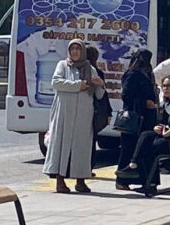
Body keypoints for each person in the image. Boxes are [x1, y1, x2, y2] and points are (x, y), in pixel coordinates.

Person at [43, 40, 104, 193]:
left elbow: (99, 95)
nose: (75, 52)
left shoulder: (90, 68)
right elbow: (56, 83)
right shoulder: (63, 65)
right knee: (61, 145)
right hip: (64, 113)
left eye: (78, 49)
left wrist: (100, 84)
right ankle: (60, 180)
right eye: (73, 49)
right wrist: (79, 85)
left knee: (81, 147)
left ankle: (80, 180)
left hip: (84, 115)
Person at [116, 75, 170, 192]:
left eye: (169, 86)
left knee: (149, 146)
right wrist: (157, 128)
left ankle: (141, 173)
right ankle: (138, 170)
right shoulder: (166, 104)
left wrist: (164, 134)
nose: (166, 88)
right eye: (163, 86)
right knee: (146, 136)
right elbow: (164, 124)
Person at [116, 50, 158, 191]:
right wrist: (144, 102)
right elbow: (126, 95)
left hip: (147, 118)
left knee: (143, 149)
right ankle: (122, 180)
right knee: (128, 149)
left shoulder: (146, 73)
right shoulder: (132, 74)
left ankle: (143, 179)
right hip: (135, 119)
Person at [86, 46, 112, 176]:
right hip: (93, 112)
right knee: (91, 141)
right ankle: (88, 168)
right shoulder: (97, 72)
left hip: (88, 111)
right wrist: (108, 112)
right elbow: (103, 95)